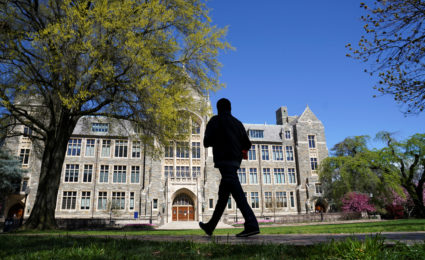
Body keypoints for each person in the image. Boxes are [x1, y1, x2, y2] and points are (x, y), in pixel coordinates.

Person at [199, 98, 260, 237]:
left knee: (237, 194)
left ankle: (252, 224)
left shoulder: (214, 121)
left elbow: (206, 142)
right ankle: (210, 226)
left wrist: (219, 140)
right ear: (230, 109)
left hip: (223, 160)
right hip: (234, 161)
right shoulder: (237, 123)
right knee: (223, 196)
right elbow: (247, 144)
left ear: (218, 108)